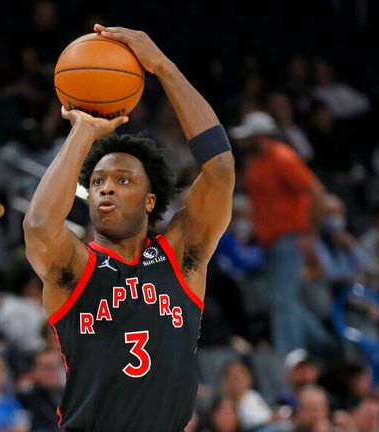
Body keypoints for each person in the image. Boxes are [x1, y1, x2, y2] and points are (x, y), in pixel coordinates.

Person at [23, 24, 235, 431]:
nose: (106, 189)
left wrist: (164, 68)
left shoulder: (182, 256)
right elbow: (38, 224)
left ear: (150, 200)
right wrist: (83, 132)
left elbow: (221, 169)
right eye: (97, 182)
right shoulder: (75, 268)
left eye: (123, 180)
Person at [232, 110, 329, 354]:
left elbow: (316, 192)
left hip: (289, 238)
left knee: (282, 299)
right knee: (284, 298)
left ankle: (289, 355)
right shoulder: (256, 163)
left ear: (261, 136)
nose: (245, 142)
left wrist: (310, 233)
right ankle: (325, 343)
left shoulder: (283, 157)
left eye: (250, 138)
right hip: (268, 242)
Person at [16, 350, 65, 432]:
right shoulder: (24, 398)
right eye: (48, 368)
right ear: (34, 370)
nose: (53, 372)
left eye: (57, 366)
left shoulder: (66, 395)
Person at [220, 360, 272, 430]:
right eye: (235, 378)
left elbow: (267, 414)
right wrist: (269, 420)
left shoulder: (253, 395)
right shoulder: (226, 401)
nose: (240, 381)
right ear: (225, 382)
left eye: (243, 376)